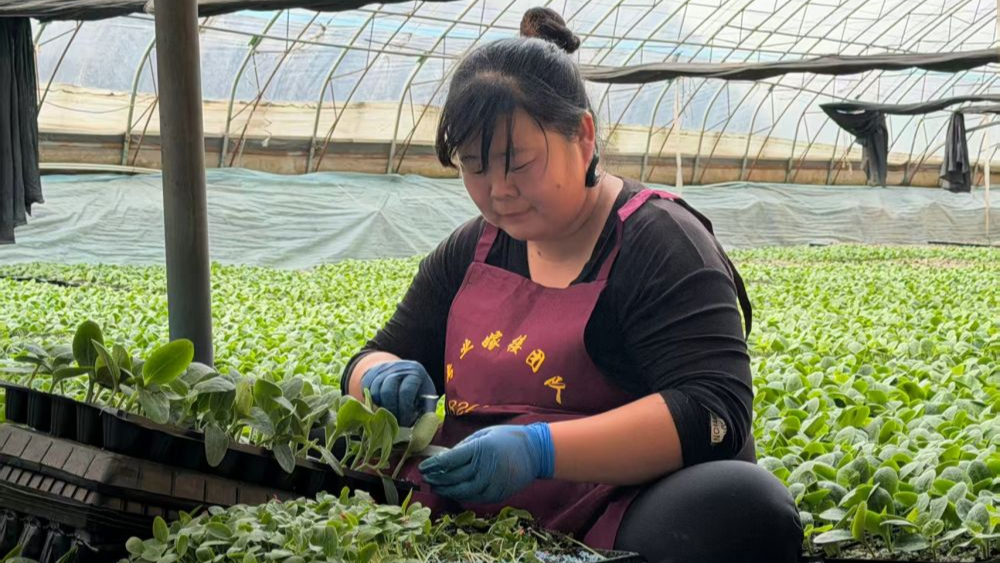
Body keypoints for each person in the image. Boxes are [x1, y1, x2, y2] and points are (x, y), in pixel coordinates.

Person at [341, 8, 803, 563]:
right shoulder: (471, 249)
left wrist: (540, 450)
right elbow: (370, 357)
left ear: (583, 136)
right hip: (472, 502)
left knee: (746, 507)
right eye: (474, 167)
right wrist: (378, 376)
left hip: (616, 507)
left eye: (518, 163)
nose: (498, 190)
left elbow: (715, 411)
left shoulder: (660, 242)